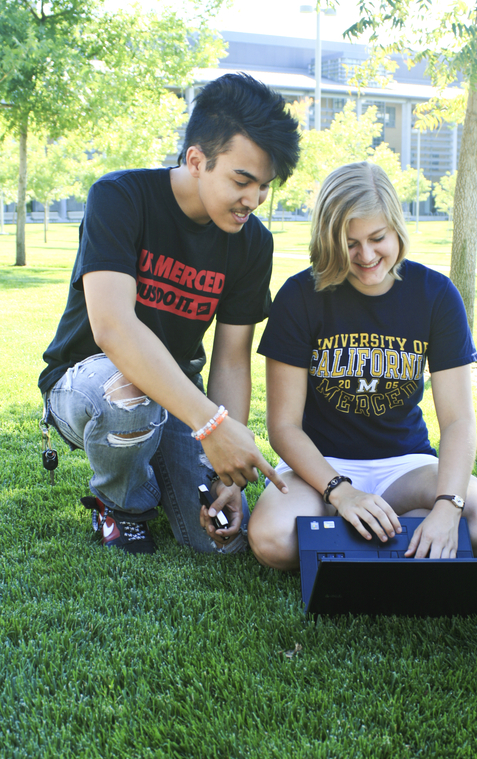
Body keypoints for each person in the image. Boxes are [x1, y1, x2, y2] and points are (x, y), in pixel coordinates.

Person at [38, 72, 300, 556]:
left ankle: (153, 469)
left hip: (177, 397)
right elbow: (113, 329)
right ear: (196, 160)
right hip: (88, 384)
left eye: (264, 185)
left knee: (220, 541)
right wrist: (211, 428)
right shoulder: (120, 198)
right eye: (242, 181)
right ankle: (121, 506)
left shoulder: (252, 242)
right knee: (128, 392)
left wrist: (230, 476)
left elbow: (230, 360)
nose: (253, 200)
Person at [248, 161, 477, 571]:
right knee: (273, 539)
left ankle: (353, 533)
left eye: (377, 238)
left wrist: (447, 507)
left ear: (396, 228)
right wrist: (340, 491)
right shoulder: (300, 295)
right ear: (328, 238)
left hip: (405, 465)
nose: (366, 255)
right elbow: (283, 427)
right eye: (349, 243)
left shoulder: (436, 294)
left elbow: (458, 421)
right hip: (319, 467)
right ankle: (381, 534)